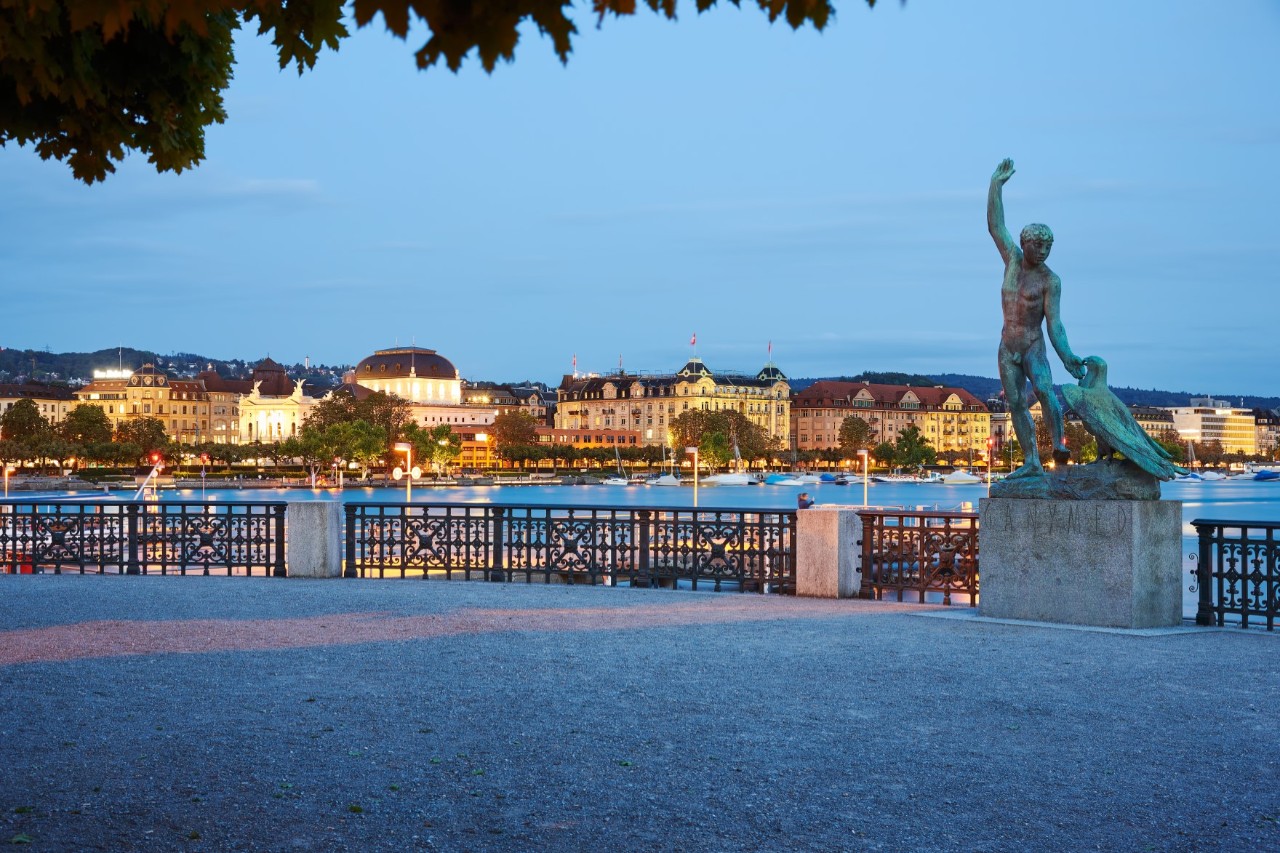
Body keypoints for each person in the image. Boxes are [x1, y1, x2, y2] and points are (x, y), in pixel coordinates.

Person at [988, 158, 1085, 480]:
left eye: (1048, 246)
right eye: (1038, 245)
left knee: (1045, 391)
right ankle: (1031, 461)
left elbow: (1055, 323)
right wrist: (996, 185)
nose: (1043, 251)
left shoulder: (1050, 280)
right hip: (1007, 345)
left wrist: (1067, 356)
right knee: (1016, 403)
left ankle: (1059, 444)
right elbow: (994, 225)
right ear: (1024, 244)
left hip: (1032, 344)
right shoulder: (1012, 261)